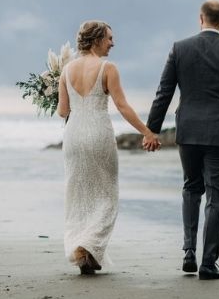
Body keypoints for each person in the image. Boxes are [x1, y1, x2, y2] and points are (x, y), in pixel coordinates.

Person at [146, 0, 219, 280]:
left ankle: (188, 251)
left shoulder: (179, 49)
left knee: (191, 187)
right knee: (217, 197)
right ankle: (208, 263)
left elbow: (164, 92)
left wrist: (152, 129)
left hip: (189, 131)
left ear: (201, 19)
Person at [57, 20, 161, 274]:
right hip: (98, 135)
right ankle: (87, 246)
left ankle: (83, 250)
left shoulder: (66, 70)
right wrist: (147, 131)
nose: (113, 43)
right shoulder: (108, 68)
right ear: (96, 40)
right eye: (109, 38)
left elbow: (62, 111)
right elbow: (122, 106)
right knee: (106, 196)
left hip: (73, 137)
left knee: (79, 195)